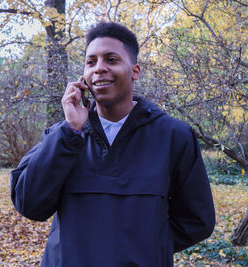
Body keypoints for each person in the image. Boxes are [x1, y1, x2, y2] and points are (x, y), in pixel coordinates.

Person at [11, 21, 215, 267]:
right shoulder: (65, 135)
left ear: (135, 71)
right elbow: (29, 203)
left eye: (111, 59)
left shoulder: (174, 136)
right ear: (83, 77)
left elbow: (198, 220)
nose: (99, 69)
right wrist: (71, 130)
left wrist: (150, 246)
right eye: (91, 62)